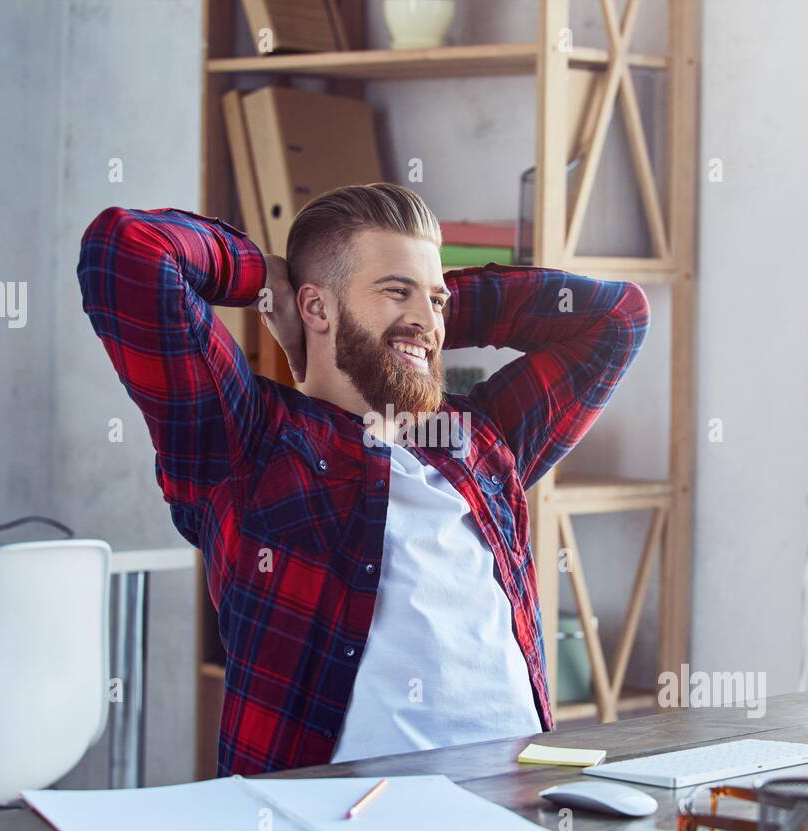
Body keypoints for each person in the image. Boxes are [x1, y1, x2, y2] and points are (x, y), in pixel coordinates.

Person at [78, 182, 649, 776]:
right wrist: (264, 281)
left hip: (516, 813)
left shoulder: (477, 441)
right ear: (316, 307)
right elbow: (127, 250)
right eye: (394, 290)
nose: (426, 321)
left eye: (436, 300)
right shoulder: (248, 441)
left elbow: (619, 318)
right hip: (333, 830)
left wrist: (428, 309)